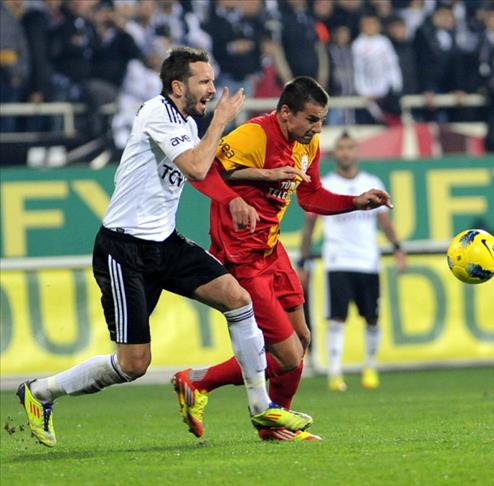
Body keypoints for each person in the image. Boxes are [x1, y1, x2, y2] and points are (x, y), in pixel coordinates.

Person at [17, 47, 312, 448]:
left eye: (212, 81)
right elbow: (195, 167)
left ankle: (261, 406)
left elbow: (206, 170)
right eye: (204, 82)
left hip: (165, 242)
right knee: (133, 364)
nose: (212, 89)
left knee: (238, 299)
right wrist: (221, 122)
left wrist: (249, 184)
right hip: (124, 250)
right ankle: (40, 392)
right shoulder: (158, 113)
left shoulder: (186, 124)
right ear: (178, 87)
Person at [176, 76, 393, 441]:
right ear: (286, 113)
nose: (318, 128)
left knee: (301, 338)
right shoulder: (254, 135)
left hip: (271, 249)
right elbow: (202, 171)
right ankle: (205, 385)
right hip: (241, 255)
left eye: (322, 120)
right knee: (289, 356)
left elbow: (311, 196)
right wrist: (238, 196)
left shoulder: (308, 144)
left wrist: (355, 203)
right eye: (312, 119)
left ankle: (270, 421)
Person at [298, 131, 407, 392]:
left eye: (350, 147)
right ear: (335, 153)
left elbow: (385, 221)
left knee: (372, 318)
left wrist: (398, 248)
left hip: (368, 261)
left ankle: (370, 367)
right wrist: (303, 261)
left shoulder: (371, 182)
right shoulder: (326, 184)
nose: (345, 152)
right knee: (336, 318)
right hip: (338, 261)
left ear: (356, 151)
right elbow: (310, 224)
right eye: (341, 148)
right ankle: (335, 372)